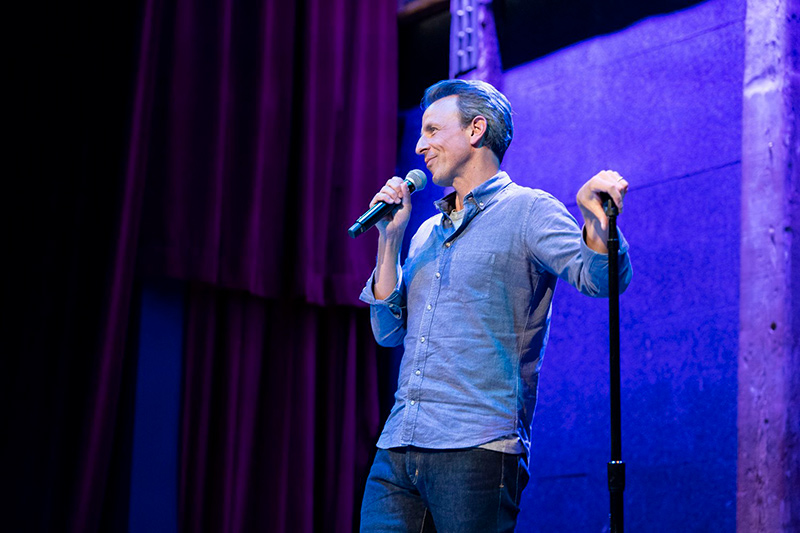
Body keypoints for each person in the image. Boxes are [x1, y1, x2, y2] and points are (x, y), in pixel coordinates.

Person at [358, 79, 632, 532]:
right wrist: (390, 239)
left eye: (432, 130)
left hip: (476, 447)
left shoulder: (528, 210)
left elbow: (602, 280)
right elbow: (387, 334)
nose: (419, 145)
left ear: (476, 129)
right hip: (398, 448)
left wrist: (598, 223)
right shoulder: (425, 233)